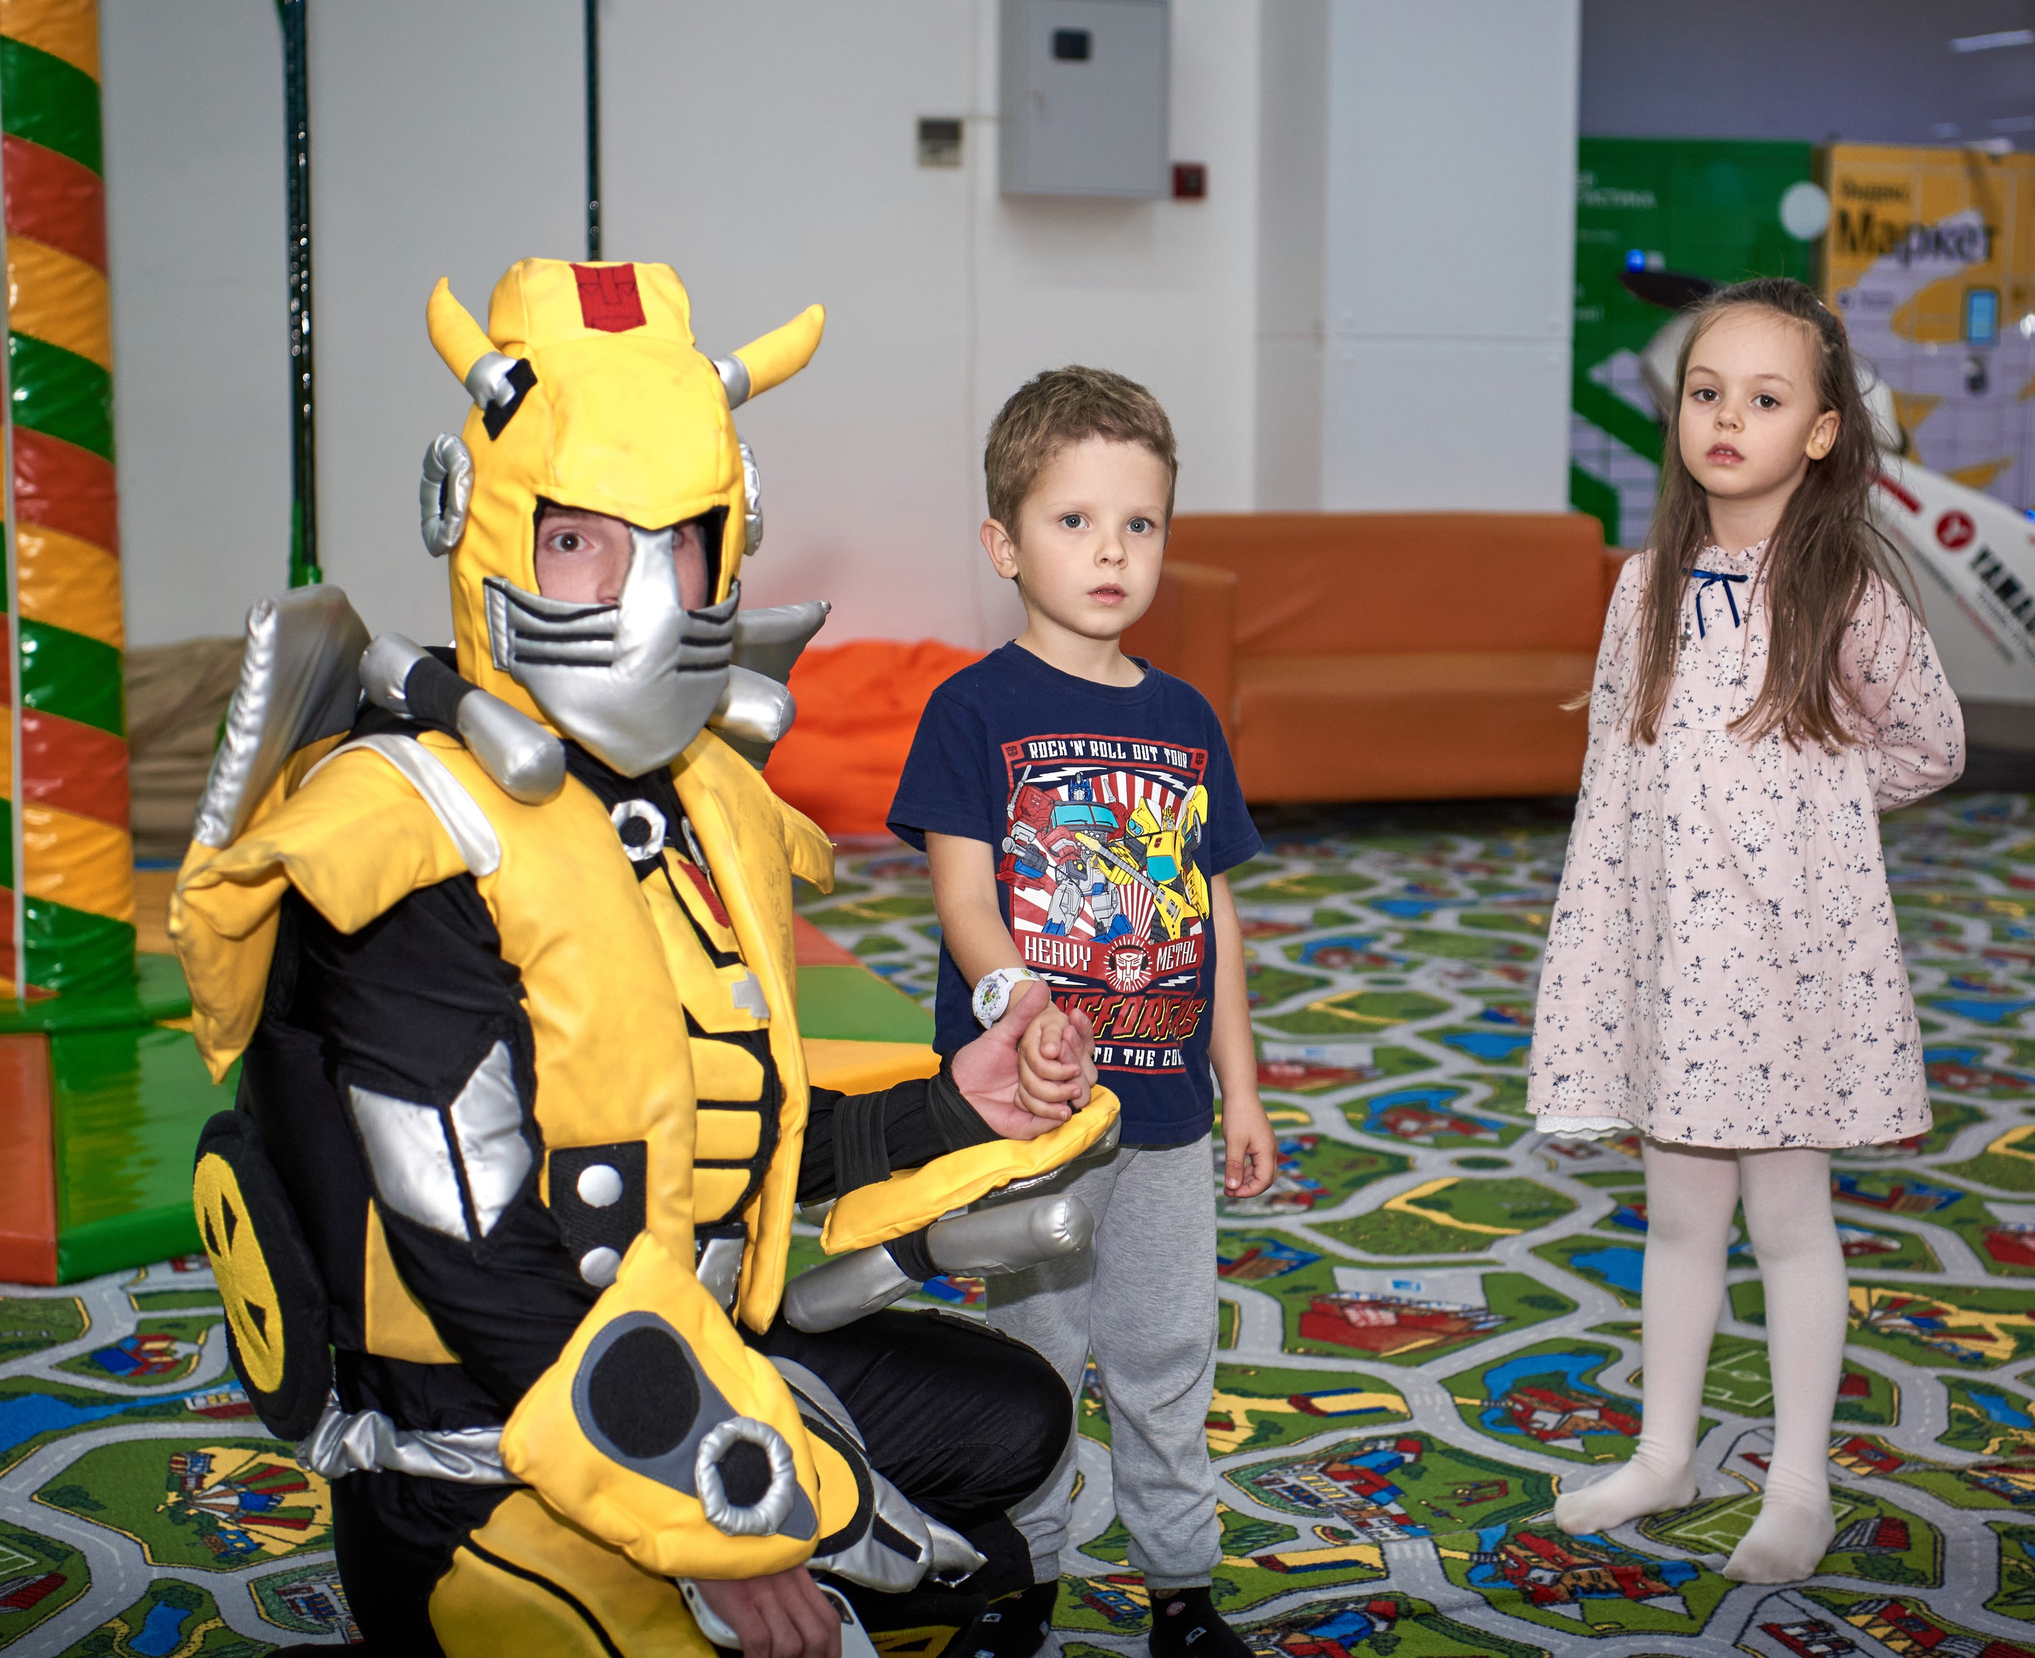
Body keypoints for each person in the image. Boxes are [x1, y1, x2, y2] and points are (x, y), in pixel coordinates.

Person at [172, 260, 1115, 1658]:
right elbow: (480, 1266)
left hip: (697, 1358)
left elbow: (731, 1131)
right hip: (482, 1457)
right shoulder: (402, 832)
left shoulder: (701, 802)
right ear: (487, 524)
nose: (649, 597)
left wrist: (956, 1101)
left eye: (681, 544)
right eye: (582, 543)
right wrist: (713, 1527)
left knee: (1016, 1435)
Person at [1526, 277, 1964, 1580]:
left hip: (1781, 969)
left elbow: (1930, 742)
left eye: (1765, 399)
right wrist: (1600, 945)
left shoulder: (1846, 589)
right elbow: (1618, 757)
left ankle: (1799, 1479)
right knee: (1675, 1217)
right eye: (1707, 393)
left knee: (1788, 1219)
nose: (1727, 419)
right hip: (1673, 960)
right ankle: (1664, 1451)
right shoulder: (1645, 582)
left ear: (1821, 429)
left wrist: (1807, 807)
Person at [888, 366, 1279, 1658]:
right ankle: (1023, 1582)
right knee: (1034, 1365)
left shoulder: (1185, 718)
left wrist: (1245, 1084)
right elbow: (962, 902)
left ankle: (1182, 1588)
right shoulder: (972, 710)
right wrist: (1021, 1007)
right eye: (1074, 521)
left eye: (1141, 523)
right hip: (1030, 1118)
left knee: (1168, 1356)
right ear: (1003, 542)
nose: (1111, 550)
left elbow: (1213, 914)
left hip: (1165, 1112)